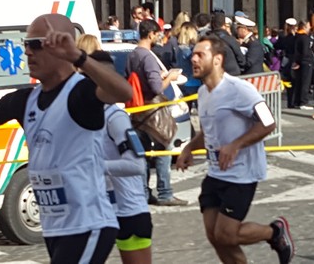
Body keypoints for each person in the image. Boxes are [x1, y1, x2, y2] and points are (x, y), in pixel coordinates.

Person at [0, 13, 133, 263]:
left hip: (89, 222)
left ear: (62, 47)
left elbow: (123, 92)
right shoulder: (23, 100)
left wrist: (80, 58)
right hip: (55, 226)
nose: (27, 51)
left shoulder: (80, 92)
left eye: (36, 44)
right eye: (24, 44)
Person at [176, 35, 295, 264]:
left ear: (218, 60)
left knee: (226, 234)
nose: (194, 59)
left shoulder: (239, 89)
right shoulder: (202, 93)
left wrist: (236, 145)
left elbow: (268, 121)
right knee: (215, 237)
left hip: (241, 174)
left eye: (201, 54)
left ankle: (275, 232)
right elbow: (208, 132)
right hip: (214, 172)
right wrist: (189, 148)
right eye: (193, 55)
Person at [89, 50, 152, 264]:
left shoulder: (115, 117)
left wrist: (96, 166)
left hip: (129, 212)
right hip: (99, 211)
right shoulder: (86, 115)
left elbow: (136, 165)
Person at [126, 19, 187, 207]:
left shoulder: (133, 55)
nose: (158, 36)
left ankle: (144, 193)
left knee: (143, 153)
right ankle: (165, 193)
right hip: (153, 110)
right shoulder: (148, 57)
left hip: (138, 110)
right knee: (164, 148)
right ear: (151, 34)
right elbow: (156, 87)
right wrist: (170, 76)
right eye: (157, 33)